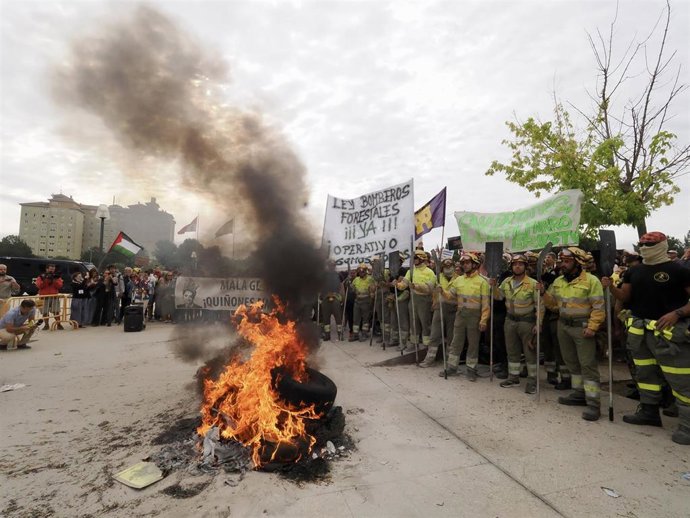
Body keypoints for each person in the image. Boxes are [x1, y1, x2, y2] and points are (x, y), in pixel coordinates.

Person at [602, 232, 690, 444]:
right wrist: (611, 287)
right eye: (642, 243)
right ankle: (649, 412)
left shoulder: (679, 270)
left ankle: (687, 426)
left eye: (650, 244)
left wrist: (677, 313)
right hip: (640, 332)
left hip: (669, 333)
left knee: (680, 378)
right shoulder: (634, 271)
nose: (644, 246)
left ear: (662, 245)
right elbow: (625, 297)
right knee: (645, 374)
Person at [540, 247, 605, 421]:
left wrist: (592, 326)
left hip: (582, 328)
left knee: (587, 365)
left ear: (578, 263)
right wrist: (543, 293)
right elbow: (554, 305)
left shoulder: (591, 281)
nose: (563, 264)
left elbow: (598, 307)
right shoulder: (559, 281)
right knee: (571, 363)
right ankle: (578, 394)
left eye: (567, 261)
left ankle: (593, 404)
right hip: (563, 326)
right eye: (562, 261)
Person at [491, 254, 543, 394]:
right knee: (512, 351)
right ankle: (513, 377)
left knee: (529, 353)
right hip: (510, 321)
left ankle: (533, 381)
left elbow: (540, 306)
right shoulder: (507, 282)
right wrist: (494, 287)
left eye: (520, 264)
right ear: (511, 266)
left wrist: (538, 324)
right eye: (515, 264)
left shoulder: (533, 284)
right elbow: (499, 297)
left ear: (525, 267)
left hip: (527, 322)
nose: (517, 266)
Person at [439, 252, 490, 380]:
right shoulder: (458, 280)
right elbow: (450, 296)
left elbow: (485, 304)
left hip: (474, 317)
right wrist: (442, 291)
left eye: (467, 263)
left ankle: (471, 369)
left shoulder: (482, 282)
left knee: (473, 344)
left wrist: (484, 320)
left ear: (474, 264)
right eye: (463, 263)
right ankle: (452, 367)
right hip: (460, 315)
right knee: (456, 342)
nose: (465, 265)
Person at [420, 258, 457, 368]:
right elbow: (428, 287)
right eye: (445, 266)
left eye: (450, 265)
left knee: (452, 337)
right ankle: (430, 359)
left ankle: (448, 361)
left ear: (454, 266)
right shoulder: (437, 277)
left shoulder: (458, 279)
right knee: (435, 334)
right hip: (439, 308)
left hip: (453, 310)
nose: (448, 267)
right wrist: (416, 286)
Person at [398, 250, 436, 352]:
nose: (414, 260)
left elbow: (430, 288)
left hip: (424, 300)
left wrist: (416, 286)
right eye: (413, 258)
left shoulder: (430, 272)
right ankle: (414, 343)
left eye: (416, 258)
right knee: (413, 322)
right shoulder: (410, 271)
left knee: (425, 323)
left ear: (422, 259)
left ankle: (426, 344)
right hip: (413, 299)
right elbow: (404, 284)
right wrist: (397, 284)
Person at [35, 263, 64, 330]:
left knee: (56, 311)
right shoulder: (41, 277)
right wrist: (46, 280)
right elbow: (39, 286)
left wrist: (54, 280)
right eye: (50, 269)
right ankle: (46, 325)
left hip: (54, 297)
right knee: (44, 312)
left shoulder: (57, 277)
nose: (52, 271)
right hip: (43, 297)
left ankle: (59, 324)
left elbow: (60, 286)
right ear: (47, 269)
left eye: (53, 269)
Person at [350, 264, 374, 341]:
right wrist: (349, 284)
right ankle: (355, 334)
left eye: (363, 271)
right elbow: (352, 289)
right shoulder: (356, 279)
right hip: (357, 301)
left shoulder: (370, 279)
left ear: (365, 271)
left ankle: (364, 334)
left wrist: (372, 293)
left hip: (366, 301)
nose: (361, 272)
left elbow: (373, 290)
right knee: (356, 318)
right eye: (360, 271)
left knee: (365, 319)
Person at [320, 259, 343, 341]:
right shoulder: (323, 276)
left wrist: (341, 297)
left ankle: (340, 334)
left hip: (335, 298)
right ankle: (327, 335)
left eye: (333, 265)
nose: (331, 267)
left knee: (338, 317)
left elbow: (341, 286)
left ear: (335, 266)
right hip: (325, 298)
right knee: (326, 318)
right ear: (328, 266)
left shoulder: (338, 275)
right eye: (330, 265)